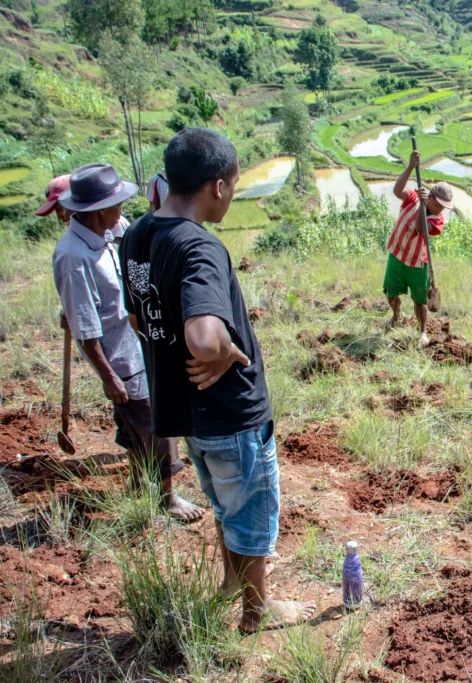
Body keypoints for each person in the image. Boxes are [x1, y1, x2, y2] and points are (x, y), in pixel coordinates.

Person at [120, 128, 315, 632]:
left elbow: (138, 318)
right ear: (219, 187)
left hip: (186, 410)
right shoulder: (199, 248)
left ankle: (231, 582)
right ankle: (257, 610)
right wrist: (225, 351)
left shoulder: (137, 234)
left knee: (224, 502)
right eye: (234, 184)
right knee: (249, 510)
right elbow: (204, 339)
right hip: (230, 411)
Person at [51, 164, 202, 522]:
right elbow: (86, 327)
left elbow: (131, 233)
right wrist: (108, 376)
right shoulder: (73, 256)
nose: (122, 209)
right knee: (156, 422)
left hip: (136, 344)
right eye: (117, 204)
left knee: (132, 419)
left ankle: (137, 482)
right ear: (99, 210)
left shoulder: (103, 233)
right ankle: (167, 497)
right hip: (118, 357)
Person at [382, 150, 453, 347]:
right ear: (430, 196)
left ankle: (422, 332)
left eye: (443, 206)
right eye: (438, 203)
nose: (440, 208)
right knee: (391, 292)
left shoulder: (437, 219)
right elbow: (397, 191)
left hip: (417, 262)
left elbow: (421, 229)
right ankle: (397, 316)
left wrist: (423, 206)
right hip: (397, 254)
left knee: (419, 300)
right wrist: (410, 167)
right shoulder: (413, 198)